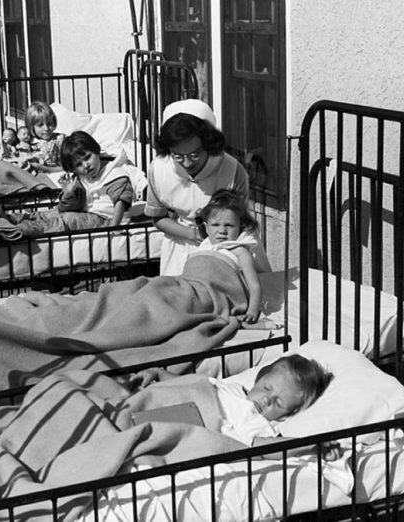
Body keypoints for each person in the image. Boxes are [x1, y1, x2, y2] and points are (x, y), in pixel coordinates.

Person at [128, 354, 340, 459]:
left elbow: (265, 448)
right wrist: (158, 374)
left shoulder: (257, 421)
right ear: (259, 379)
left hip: (187, 424)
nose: (266, 400)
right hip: (171, 401)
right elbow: (191, 384)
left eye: (278, 403)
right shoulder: (233, 388)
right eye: (267, 388)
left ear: (285, 415)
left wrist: (312, 445)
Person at [144, 99, 250, 276]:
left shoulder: (232, 171)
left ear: (208, 143)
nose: (186, 163)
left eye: (194, 155)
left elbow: (242, 223)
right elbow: (158, 218)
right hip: (178, 246)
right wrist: (191, 233)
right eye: (178, 156)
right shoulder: (158, 169)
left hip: (224, 249)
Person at [11, 131, 136, 235]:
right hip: (89, 214)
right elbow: (65, 208)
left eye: (87, 157)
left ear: (97, 151)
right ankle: (12, 220)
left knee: (68, 220)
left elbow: (121, 202)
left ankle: (20, 230)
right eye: (78, 164)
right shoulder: (83, 177)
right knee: (53, 213)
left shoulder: (113, 173)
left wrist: (113, 229)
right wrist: (68, 192)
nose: (85, 166)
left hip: (108, 220)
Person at [193, 189, 272, 326]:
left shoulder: (240, 251)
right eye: (215, 225)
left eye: (229, 225)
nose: (222, 231)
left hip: (219, 297)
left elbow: (254, 286)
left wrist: (252, 312)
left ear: (240, 227)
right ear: (206, 227)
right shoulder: (204, 247)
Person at [15, 101, 65, 173]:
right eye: (40, 125)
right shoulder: (28, 142)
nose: (46, 128)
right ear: (31, 126)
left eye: (49, 123)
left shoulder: (59, 140)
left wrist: (46, 168)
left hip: (55, 175)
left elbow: (69, 165)